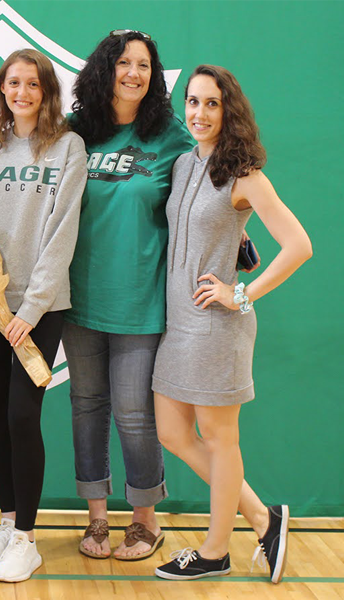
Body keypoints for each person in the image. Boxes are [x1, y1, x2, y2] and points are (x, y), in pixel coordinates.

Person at [152, 65, 312, 582]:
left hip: (217, 327)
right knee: (173, 434)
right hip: (178, 323)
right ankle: (265, 519)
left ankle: (215, 551)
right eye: (193, 102)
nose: (198, 113)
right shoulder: (182, 165)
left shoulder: (246, 176)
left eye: (211, 104)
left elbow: (298, 246)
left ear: (229, 111)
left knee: (221, 442)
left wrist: (240, 293)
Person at [0, 49, 85, 582]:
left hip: (39, 308)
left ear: (47, 91)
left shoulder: (69, 147)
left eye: (33, 84)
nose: (22, 92)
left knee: (24, 414)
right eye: (12, 84)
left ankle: (27, 538)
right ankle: (7, 522)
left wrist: (29, 309)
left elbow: (62, 234)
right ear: (2, 90)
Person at [62, 30, 194, 561]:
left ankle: (144, 520)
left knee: (136, 412)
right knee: (86, 407)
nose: (134, 73)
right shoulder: (75, 133)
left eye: (144, 65)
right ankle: (96, 518)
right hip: (77, 298)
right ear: (104, 70)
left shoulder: (170, 135)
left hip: (140, 300)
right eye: (123, 63)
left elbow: (211, 180)